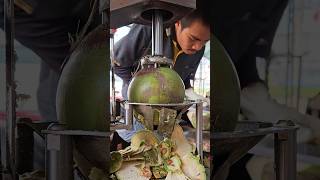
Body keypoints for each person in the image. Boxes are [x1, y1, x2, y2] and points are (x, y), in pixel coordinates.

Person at [112, 8, 211, 142]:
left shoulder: (198, 50)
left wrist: (189, 92)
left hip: (168, 116)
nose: (198, 47)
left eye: (205, 42)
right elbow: (118, 63)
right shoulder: (148, 29)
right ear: (178, 23)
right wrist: (139, 88)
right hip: (138, 113)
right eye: (193, 38)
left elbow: (186, 78)